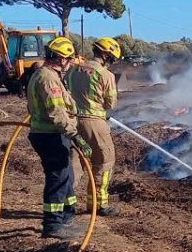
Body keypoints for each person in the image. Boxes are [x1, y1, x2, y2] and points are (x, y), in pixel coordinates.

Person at [25, 36, 91, 238]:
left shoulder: (50, 75)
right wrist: (76, 136)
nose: (70, 63)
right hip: (50, 135)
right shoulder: (48, 79)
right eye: (69, 59)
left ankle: (66, 218)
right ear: (61, 59)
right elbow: (57, 113)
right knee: (58, 178)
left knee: (67, 176)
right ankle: (52, 224)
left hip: (54, 134)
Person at [68, 36, 121, 216]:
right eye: (112, 58)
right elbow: (110, 104)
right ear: (106, 55)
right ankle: (99, 205)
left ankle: (66, 205)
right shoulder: (106, 75)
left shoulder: (74, 69)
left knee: (74, 164)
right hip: (94, 123)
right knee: (104, 161)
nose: (112, 62)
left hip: (72, 123)